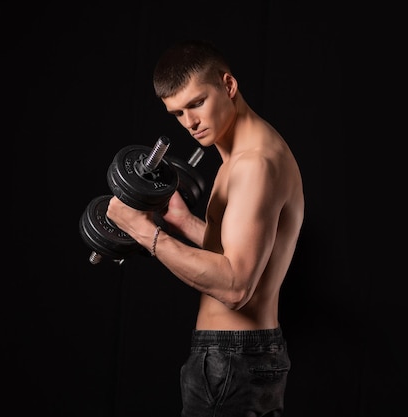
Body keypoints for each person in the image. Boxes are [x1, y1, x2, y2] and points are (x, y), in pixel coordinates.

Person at [106, 39, 304, 416]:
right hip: (245, 357)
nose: (190, 123)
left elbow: (236, 287)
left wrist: (143, 231)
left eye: (197, 103)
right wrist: (182, 222)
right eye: (177, 113)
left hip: (232, 362)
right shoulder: (246, 154)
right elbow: (241, 255)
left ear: (228, 86)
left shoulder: (254, 164)